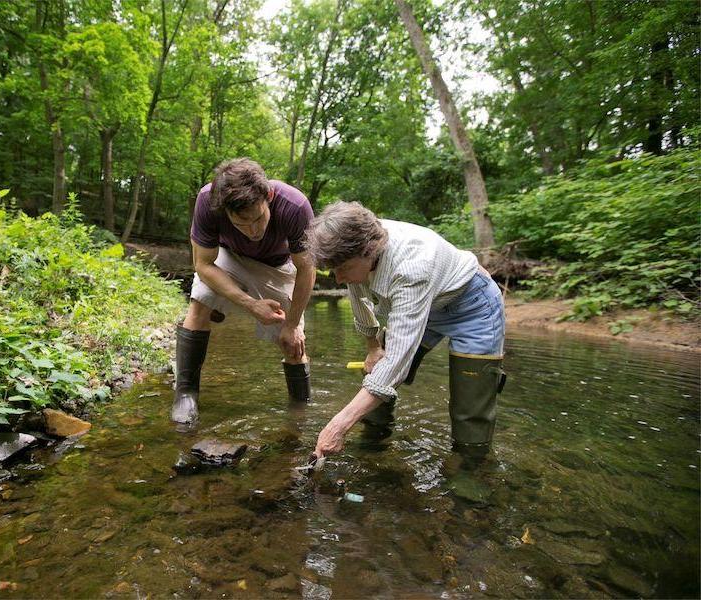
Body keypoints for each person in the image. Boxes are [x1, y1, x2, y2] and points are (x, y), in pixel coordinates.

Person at [306, 201, 506, 460]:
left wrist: (338, 425)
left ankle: (471, 473)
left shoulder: (412, 268)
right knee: (376, 368)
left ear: (369, 252)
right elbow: (359, 299)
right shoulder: (353, 244)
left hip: (473, 306)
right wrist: (372, 347)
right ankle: (373, 447)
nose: (338, 279)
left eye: (342, 269)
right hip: (422, 304)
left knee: (470, 409)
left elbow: (397, 362)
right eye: (333, 270)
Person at [172, 158, 316, 426]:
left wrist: (292, 323)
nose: (253, 230)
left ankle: (300, 411)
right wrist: (250, 304)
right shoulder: (207, 201)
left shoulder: (295, 206)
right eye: (241, 223)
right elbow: (203, 264)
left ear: (269, 196)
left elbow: (307, 270)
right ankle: (186, 393)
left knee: (292, 341)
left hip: (278, 267)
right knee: (199, 302)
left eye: (259, 218)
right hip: (228, 258)